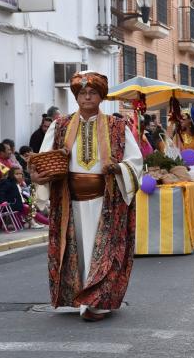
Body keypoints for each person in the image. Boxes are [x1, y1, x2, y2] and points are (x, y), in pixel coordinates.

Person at [31, 71, 143, 322]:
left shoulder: (117, 126)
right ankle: (80, 299)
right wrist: (39, 177)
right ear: (76, 97)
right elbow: (43, 160)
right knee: (77, 251)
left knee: (103, 252)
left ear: (101, 97)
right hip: (69, 202)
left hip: (106, 200)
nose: (87, 96)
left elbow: (136, 162)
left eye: (92, 92)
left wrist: (117, 168)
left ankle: (97, 303)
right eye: (83, 93)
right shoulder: (60, 126)